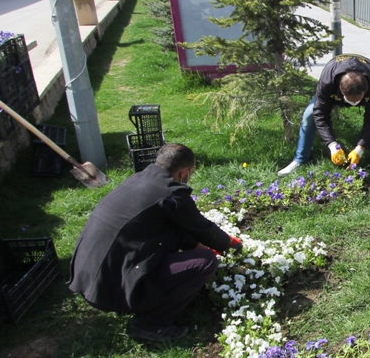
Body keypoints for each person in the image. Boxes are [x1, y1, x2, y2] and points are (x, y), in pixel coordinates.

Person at [68, 143, 241, 342]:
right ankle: (151, 323)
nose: (190, 176)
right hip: (110, 287)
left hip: (88, 274)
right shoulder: (171, 193)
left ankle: (157, 298)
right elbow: (202, 228)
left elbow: (178, 228)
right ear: (183, 172)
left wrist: (202, 245)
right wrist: (231, 245)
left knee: (181, 239)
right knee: (206, 261)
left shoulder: (140, 179)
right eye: (192, 172)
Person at [278, 53, 370, 176]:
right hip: (332, 85)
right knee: (308, 116)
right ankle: (300, 159)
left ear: (365, 90)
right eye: (350, 100)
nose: (354, 104)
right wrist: (332, 145)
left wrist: (360, 149)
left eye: (357, 100)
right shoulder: (328, 82)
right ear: (340, 91)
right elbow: (320, 114)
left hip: (368, 80)